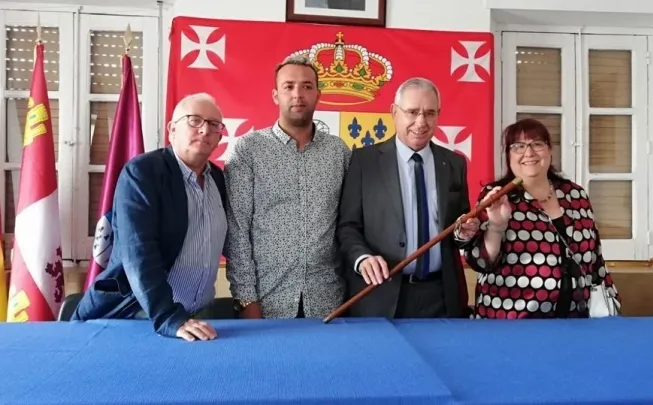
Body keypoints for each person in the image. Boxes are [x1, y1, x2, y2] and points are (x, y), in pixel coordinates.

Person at [72, 93, 228, 342]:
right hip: (140, 315)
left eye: (214, 125)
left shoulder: (218, 179)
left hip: (195, 319)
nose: (205, 130)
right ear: (172, 129)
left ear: (220, 137)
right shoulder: (143, 172)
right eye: (195, 120)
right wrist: (168, 317)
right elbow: (139, 251)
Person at [336, 77, 477, 319]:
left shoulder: (454, 163)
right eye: (412, 112)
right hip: (381, 295)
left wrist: (465, 233)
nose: (421, 122)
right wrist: (362, 257)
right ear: (394, 112)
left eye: (429, 113)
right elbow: (348, 226)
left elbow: (459, 228)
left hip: (442, 297)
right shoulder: (364, 162)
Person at [223, 56, 351, 319]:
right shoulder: (249, 150)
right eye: (289, 86)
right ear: (275, 95)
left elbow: (349, 222)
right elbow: (236, 229)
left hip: (328, 300)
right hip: (266, 300)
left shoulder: (338, 152)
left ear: (318, 94)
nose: (298, 94)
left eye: (307, 86)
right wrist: (246, 299)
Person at [462, 118, 622, 319]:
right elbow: (481, 262)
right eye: (518, 146)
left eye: (537, 144)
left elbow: (595, 258)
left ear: (549, 150)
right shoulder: (497, 196)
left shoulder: (576, 195)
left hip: (577, 318)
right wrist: (496, 226)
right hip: (514, 320)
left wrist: (610, 304)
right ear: (508, 156)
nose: (529, 153)